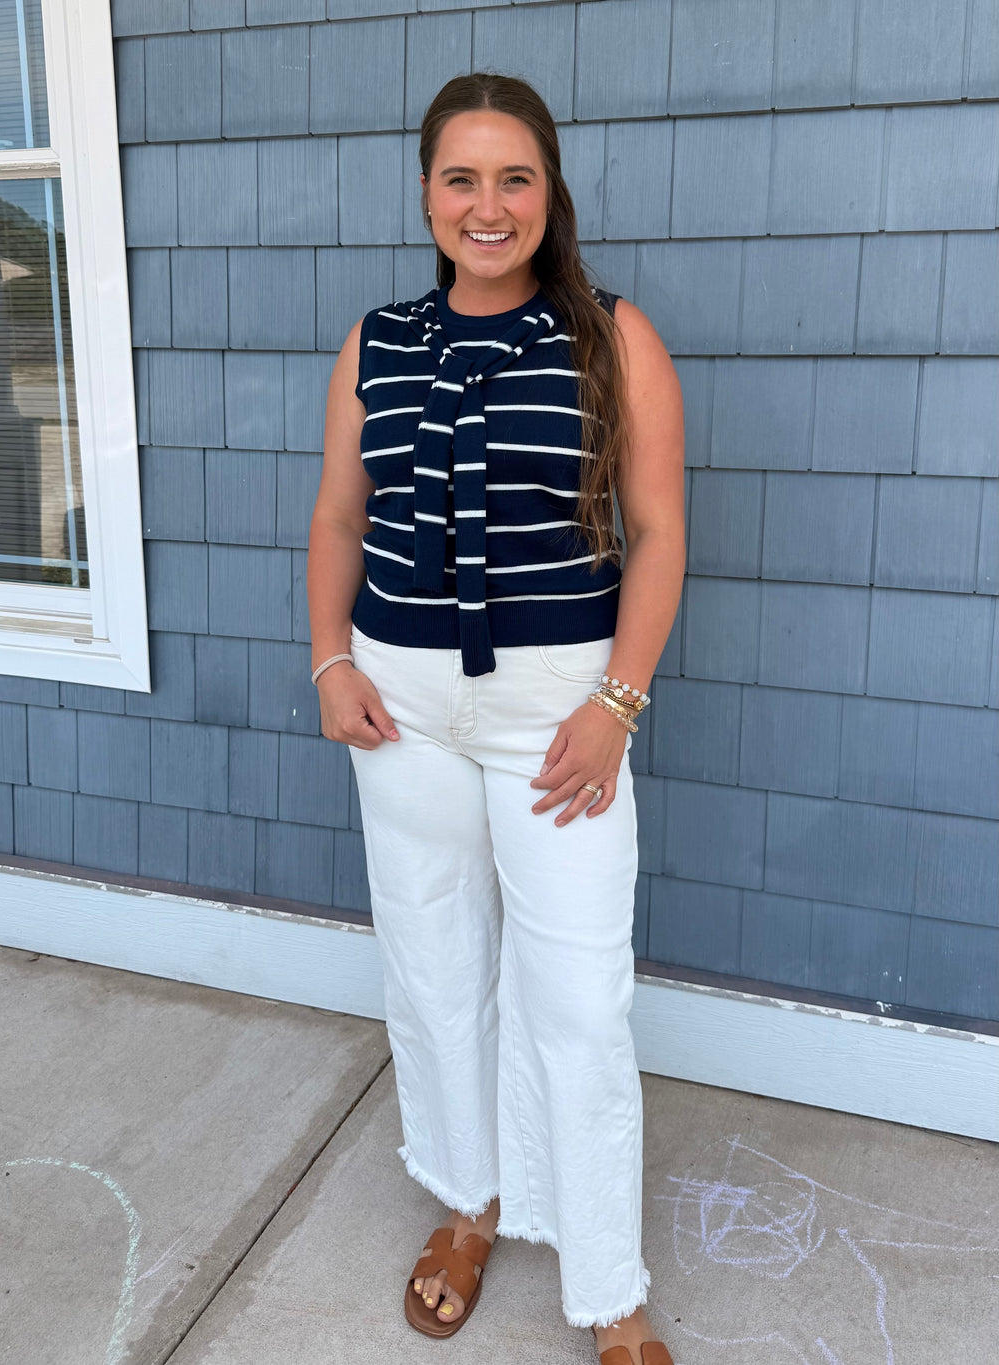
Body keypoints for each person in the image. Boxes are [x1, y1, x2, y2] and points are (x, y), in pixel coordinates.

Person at [306, 72, 684, 1365]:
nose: (487, 204)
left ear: (547, 190)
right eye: (461, 178)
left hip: (559, 713)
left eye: (512, 177)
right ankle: (472, 1197)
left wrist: (616, 704)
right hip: (397, 705)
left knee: (576, 995)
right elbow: (339, 519)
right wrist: (326, 662)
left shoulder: (612, 336)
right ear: (427, 194)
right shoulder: (377, 342)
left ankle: (610, 1283)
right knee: (434, 962)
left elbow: (661, 534)